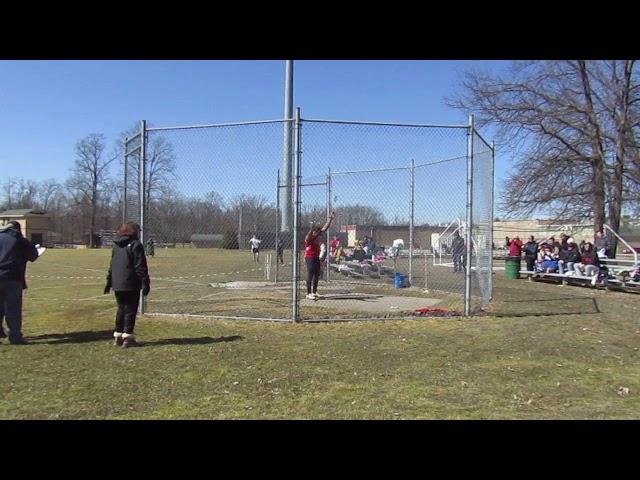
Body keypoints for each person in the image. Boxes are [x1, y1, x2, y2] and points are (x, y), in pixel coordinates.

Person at [104, 222, 150, 348]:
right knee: (130, 310)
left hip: (117, 283)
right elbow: (140, 266)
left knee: (121, 309)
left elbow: (112, 265)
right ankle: (128, 337)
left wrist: (109, 282)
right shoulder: (136, 245)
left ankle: (118, 336)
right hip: (130, 283)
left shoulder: (116, 246)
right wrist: (145, 282)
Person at [0, 221, 39, 344]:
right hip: (13, 277)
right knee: (13, 308)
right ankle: (15, 336)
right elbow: (33, 256)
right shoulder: (21, 240)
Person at [304, 212, 336, 300]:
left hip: (316, 257)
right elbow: (307, 238)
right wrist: (311, 229)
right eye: (316, 232)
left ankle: (314, 292)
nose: (317, 233)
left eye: (318, 232)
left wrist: (330, 219)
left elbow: (325, 228)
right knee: (310, 273)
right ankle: (308, 293)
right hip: (309, 257)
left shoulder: (318, 234)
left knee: (317, 274)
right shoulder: (309, 238)